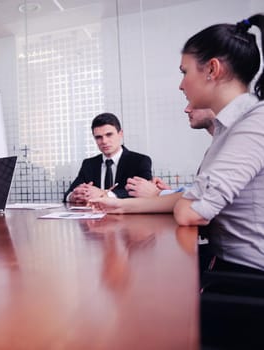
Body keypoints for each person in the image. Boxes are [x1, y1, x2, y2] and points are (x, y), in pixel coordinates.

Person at [92, 14, 264, 274]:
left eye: (185, 72)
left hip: (246, 278)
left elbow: (191, 211)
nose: (181, 84)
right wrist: (119, 205)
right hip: (229, 267)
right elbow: (192, 197)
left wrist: (186, 198)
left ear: (212, 69)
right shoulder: (229, 129)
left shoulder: (254, 124)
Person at [126, 106, 215, 198]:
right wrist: (170, 192)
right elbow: (197, 190)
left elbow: (207, 197)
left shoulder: (226, 146)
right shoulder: (215, 147)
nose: (186, 110)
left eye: (195, 105)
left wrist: (157, 194)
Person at [64, 112, 152, 204]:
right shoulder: (89, 164)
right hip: (93, 216)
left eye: (109, 135)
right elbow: (68, 194)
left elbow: (144, 194)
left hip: (126, 216)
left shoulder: (140, 161)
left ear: (120, 134)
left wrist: (105, 194)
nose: (104, 141)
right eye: (98, 137)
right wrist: (74, 196)